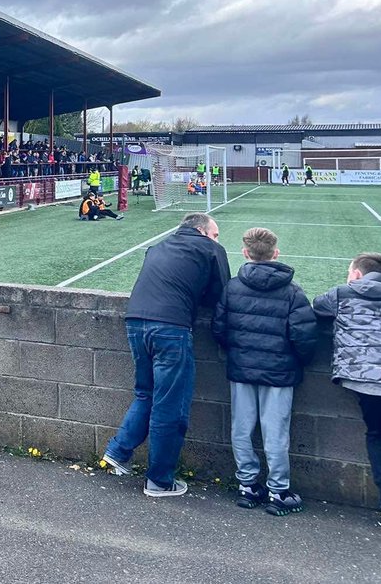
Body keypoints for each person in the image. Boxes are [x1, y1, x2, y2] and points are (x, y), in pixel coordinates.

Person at [101, 212, 230, 497]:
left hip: (135, 322)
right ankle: (159, 480)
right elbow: (222, 295)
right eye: (215, 234)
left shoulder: (157, 247)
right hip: (171, 327)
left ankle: (119, 451)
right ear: (202, 231)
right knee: (170, 405)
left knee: (146, 394)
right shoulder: (211, 249)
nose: (217, 239)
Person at [211, 227, 316, 515]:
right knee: (276, 432)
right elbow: (304, 336)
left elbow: (219, 328)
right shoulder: (293, 291)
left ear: (245, 253)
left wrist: (237, 352)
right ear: (276, 253)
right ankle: (278, 491)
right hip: (279, 373)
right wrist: (298, 361)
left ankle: (247, 486)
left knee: (241, 429)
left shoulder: (232, 287)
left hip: (242, 369)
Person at [313, 252, 381, 529]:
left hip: (366, 381)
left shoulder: (342, 293)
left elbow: (318, 306)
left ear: (356, 274)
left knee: (377, 435)